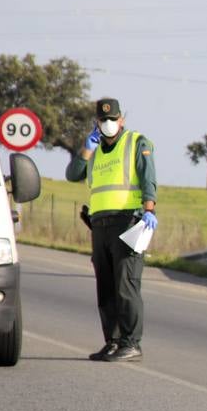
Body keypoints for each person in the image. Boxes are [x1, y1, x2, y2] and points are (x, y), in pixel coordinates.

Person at [65, 97, 157, 362]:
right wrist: (85, 150)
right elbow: (72, 174)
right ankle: (113, 341)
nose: (108, 124)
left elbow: (148, 176)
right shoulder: (92, 150)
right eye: (103, 120)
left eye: (113, 119)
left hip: (128, 221)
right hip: (100, 224)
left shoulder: (136, 142)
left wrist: (150, 210)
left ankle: (131, 343)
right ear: (97, 122)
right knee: (105, 287)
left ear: (121, 120)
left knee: (125, 285)